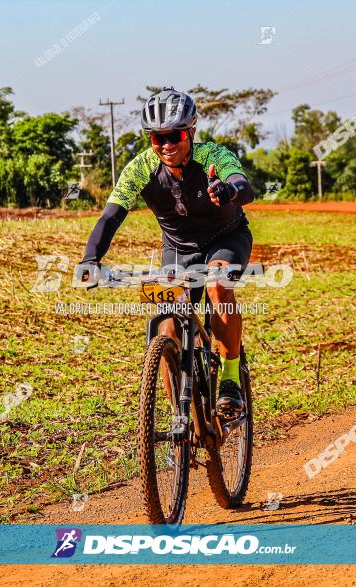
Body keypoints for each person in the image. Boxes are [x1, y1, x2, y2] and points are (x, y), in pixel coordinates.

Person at [79, 87, 255, 414]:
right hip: (178, 249)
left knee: (218, 284)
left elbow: (245, 187)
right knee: (167, 326)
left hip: (225, 238)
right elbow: (111, 216)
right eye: (158, 138)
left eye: (174, 136)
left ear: (190, 132)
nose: (167, 146)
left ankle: (230, 375)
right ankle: (180, 418)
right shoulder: (140, 169)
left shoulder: (213, 156)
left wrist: (228, 189)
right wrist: (91, 258)